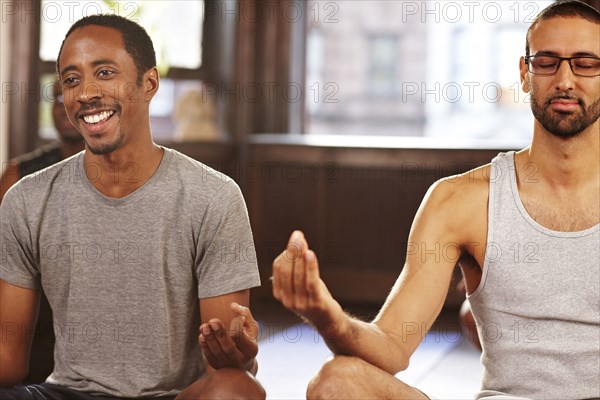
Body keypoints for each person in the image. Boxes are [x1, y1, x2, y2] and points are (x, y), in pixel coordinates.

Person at [272, 1, 599, 398]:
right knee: (337, 382)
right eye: (547, 62)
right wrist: (327, 316)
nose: (565, 79)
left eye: (585, 63)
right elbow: (392, 344)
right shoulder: (460, 200)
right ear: (524, 73)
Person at [0, 14, 264, 400]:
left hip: (173, 396)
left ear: (149, 83)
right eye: (72, 80)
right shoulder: (26, 199)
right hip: (67, 393)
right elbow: (9, 359)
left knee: (238, 390)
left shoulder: (214, 197)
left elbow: (226, 363)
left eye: (105, 73)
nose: (86, 92)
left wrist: (238, 356)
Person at [0, 81, 84, 202]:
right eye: (59, 99)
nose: (65, 110)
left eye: (78, 101)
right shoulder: (16, 176)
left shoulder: (116, 174)